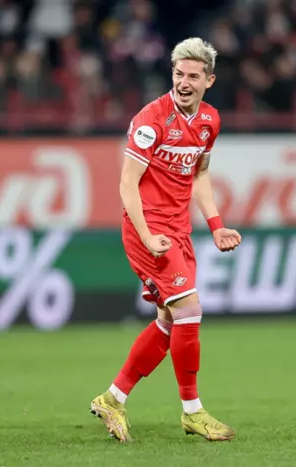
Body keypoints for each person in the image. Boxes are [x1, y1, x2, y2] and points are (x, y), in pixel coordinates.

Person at [90, 37, 242, 443]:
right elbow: (127, 184)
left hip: (178, 230)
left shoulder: (209, 120)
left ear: (209, 80)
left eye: (193, 76)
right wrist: (146, 236)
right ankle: (193, 411)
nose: (184, 82)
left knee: (169, 320)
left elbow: (200, 175)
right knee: (190, 309)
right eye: (178, 74)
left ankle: (112, 398)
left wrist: (216, 225)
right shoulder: (151, 120)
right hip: (147, 229)